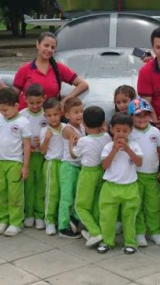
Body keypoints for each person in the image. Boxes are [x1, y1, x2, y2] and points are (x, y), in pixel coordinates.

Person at [97, 112, 144, 254]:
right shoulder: (107, 147)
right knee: (107, 217)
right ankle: (107, 241)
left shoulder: (135, 146)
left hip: (130, 187)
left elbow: (139, 163)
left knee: (129, 217)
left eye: (125, 131)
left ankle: (130, 242)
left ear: (131, 130)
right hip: (110, 187)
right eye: (118, 130)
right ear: (111, 129)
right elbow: (104, 166)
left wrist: (128, 149)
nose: (121, 134)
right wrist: (115, 150)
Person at [0, 88, 31, 237]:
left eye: (6, 110)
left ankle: (15, 222)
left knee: (15, 194)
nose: (3, 113)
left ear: (16, 106)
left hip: (14, 162)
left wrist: (25, 166)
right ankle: (3, 218)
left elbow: (27, 145)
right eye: (1, 110)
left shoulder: (23, 122)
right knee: (0, 192)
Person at [13, 32, 88, 111]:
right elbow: (14, 95)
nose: (49, 49)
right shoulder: (25, 69)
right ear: (37, 45)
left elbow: (83, 84)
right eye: (46, 45)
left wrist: (64, 101)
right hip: (26, 117)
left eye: (52, 47)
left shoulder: (59, 68)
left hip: (49, 117)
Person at [128, 98, 160, 247]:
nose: (142, 118)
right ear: (131, 116)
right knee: (137, 205)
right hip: (135, 176)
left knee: (154, 205)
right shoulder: (130, 132)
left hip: (152, 176)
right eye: (138, 115)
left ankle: (155, 231)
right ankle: (139, 232)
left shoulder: (155, 131)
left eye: (145, 115)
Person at [73, 106, 111, 248]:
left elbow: (75, 154)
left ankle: (95, 232)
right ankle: (97, 229)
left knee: (81, 205)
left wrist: (72, 145)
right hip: (102, 172)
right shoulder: (107, 137)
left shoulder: (83, 141)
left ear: (83, 122)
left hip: (88, 173)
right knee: (96, 203)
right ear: (103, 123)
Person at [20, 84, 48, 230]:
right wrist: (28, 147)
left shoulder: (47, 114)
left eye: (39, 102)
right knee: (28, 187)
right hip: (28, 157)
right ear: (25, 99)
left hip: (43, 156)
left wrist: (42, 142)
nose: (35, 106)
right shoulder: (22, 115)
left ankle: (40, 215)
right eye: (32, 103)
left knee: (41, 187)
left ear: (45, 98)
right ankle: (29, 214)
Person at [58, 97, 85, 238]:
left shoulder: (82, 126)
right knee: (67, 197)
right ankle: (63, 226)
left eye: (81, 111)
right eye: (76, 112)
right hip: (68, 166)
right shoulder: (68, 129)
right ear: (67, 115)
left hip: (78, 166)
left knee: (78, 196)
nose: (80, 114)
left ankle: (74, 219)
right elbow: (82, 143)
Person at [39, 98, 65, 235]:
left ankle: (61, 220)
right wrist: (47, 139)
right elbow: (42, 151)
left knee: (63, 193)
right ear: (45, 116)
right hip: (51, 164)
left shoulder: (66, 128)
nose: (53, 118)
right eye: (49, 115)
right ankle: (49, 220)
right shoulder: (45, 131)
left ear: (61, 113)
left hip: (64, 164)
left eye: (55, 114)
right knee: (51, 193)